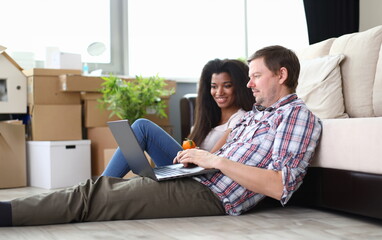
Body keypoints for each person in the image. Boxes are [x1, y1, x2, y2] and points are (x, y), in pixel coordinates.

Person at [0, 45, 322, 227]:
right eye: (249, 77)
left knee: (96, 196)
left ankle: (8, 214)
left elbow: (280, 185)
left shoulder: (296, 116)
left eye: (256, 76)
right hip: (198, 178)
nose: (249, 84)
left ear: (281, 75)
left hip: (211, 195)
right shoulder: (259, 115)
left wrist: (213, 160)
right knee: (101, 187)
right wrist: (199, 159)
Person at [101, 58, 255, 178]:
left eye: (227, 85)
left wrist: (193, 154)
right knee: (140, 130)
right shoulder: (208, 120)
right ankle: (101, 185)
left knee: (142, 127)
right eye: (214, 86)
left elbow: (212, 160)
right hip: (187, 169)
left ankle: (99, 186)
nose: (219, 92)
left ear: (239, 87)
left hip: (204, 177)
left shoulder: (240, 118)